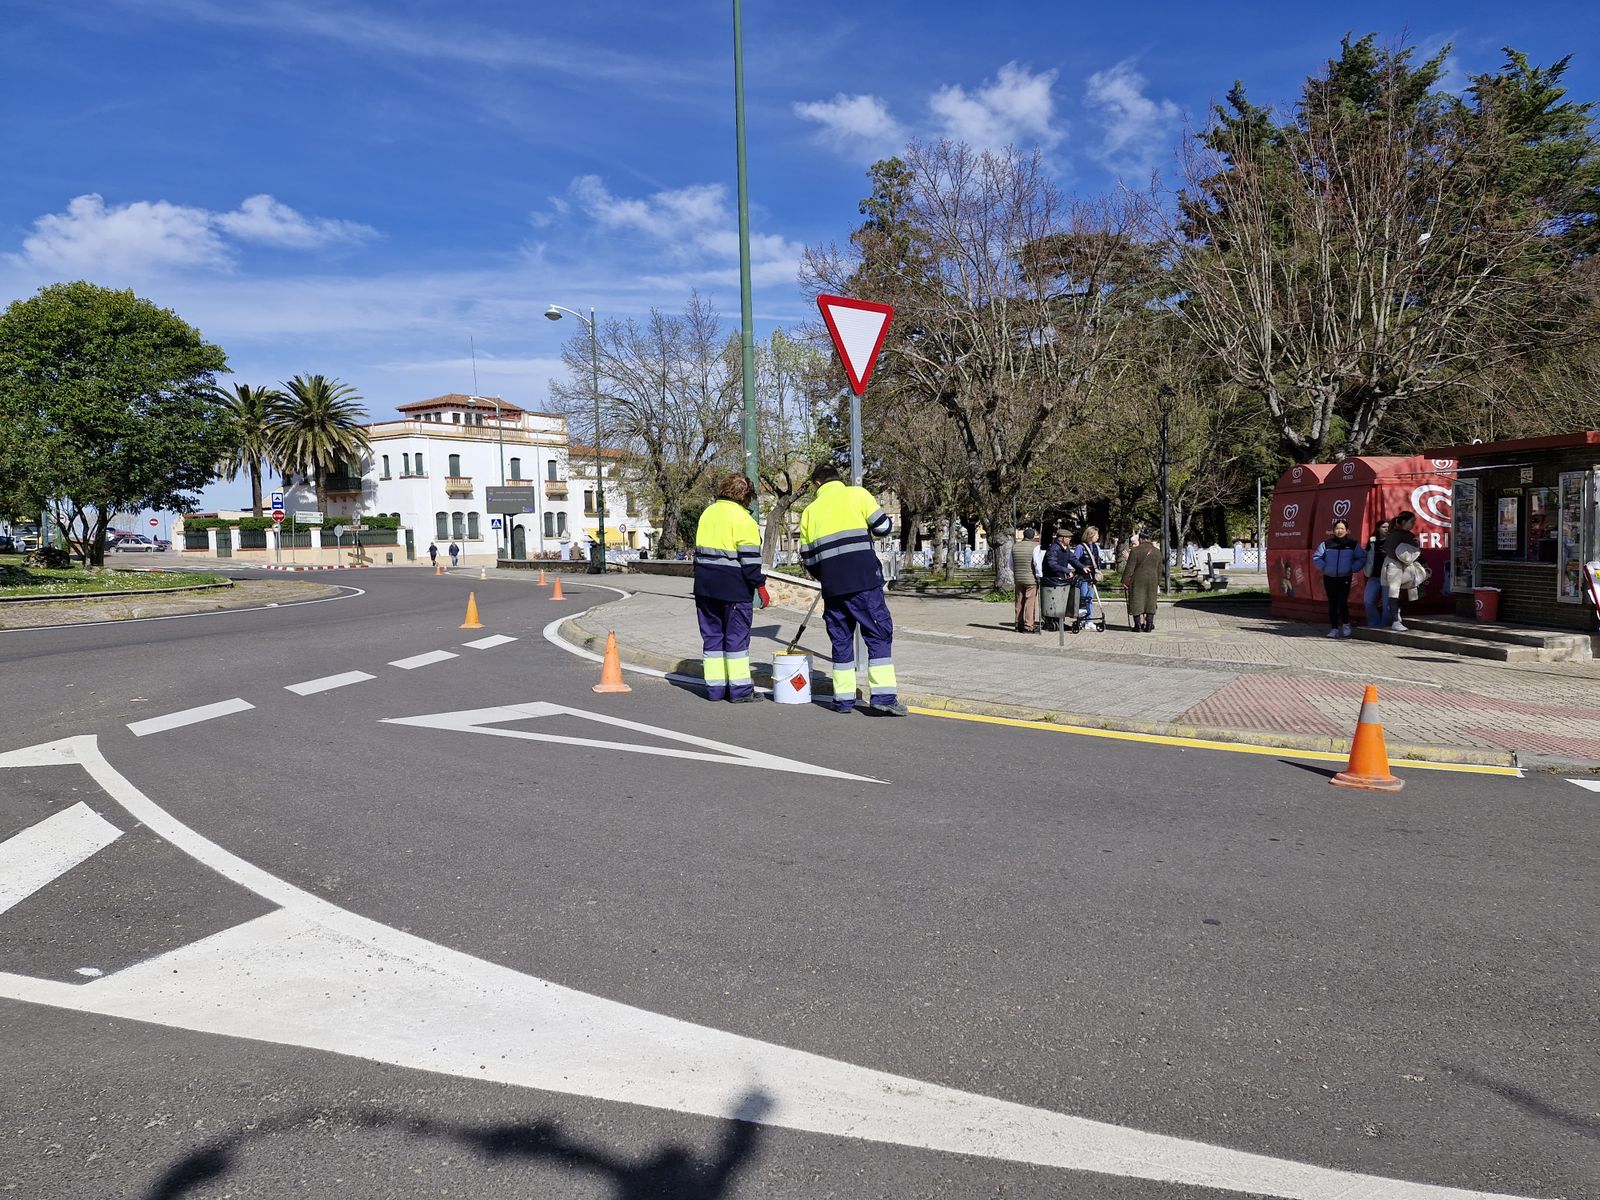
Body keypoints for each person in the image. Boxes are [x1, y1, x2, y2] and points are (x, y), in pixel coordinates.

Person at [798, 462, 904, 715]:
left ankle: (843, 700)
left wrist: (825, 574)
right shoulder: (857, 494)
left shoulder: (810, 512)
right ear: (838, 478)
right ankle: (883, 697)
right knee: (878, 633)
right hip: (863, 582)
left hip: (833, 587)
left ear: (817, 484)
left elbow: (808, 558)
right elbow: (883, 528)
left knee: (841, 639)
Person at [692, 473, 770, 703]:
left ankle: (715, 690)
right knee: (736, 640)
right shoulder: (744, 520)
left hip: (704, 588)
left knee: (712, 638)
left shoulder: (708, 513)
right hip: (734, 589)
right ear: (747, 496)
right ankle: (739, 691)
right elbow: (750, 563)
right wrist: (761, 587)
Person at [1312, 518, 1361, 638]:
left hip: (1345, 577)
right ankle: (1334, 628)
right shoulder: (1326, 544)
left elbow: (1362, 558)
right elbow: (1317, 557)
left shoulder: (1352, 544)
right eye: (1337, 528)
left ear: (1347, 530)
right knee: (1332, 603)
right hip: (1329, 577)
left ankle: (1346, 624)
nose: (1339, 531)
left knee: (1342, 602)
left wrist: (1352, 568)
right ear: (1333, 530)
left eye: (1342, 528)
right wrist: (1325, 568)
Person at [1380, 511, 1423, 630]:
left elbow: (1417, 550)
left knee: (1404, 591)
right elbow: (1389, 550)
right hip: (1395, 566)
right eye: (1412, 522)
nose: (1413, 524)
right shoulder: (1394, 535)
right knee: (1394, 591)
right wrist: (1404, 558)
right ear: (1403, 521)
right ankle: (1395, 620)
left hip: (1406, 566)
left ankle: (1397, 614)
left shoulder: (1409, 535)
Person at [1121, 531, 1161, 632]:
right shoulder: (1157, 551)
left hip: (1137, 579)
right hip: (1152, 580)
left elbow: (1130, 568)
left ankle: (1137, 626)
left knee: (1136, 601)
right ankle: (1149, 626)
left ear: (1141, 540)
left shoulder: (1135, 551)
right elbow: (1159, 569)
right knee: (1150, 602)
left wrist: (1125, 581)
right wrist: (1158, 582)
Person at [1040, 527, 1078, 632]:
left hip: (1059, 579)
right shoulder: (1054, 548)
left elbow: (1073, 559)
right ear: (1062, 538)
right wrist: (1066, 570)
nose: (1070, 539)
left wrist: (1082, 567)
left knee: (1060, 601)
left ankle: (1058, 620)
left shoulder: (1066, 549)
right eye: (1068, 537)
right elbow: (1052, 564)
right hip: (1052, 579)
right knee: (1054, 600)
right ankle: (1052, 620)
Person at [1072, 525, 1107, 628]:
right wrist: (1082, 567)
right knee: (1083, 598)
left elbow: (1097, 560)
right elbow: (1074, 560)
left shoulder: (1096, 547)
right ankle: (1082, 619)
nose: (1098, 537)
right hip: (1083, 576)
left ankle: (1089, 620)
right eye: (1096, 535)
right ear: (1090, 535)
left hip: (1092, 577)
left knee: (1090, 598)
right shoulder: (1080, 547)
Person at [1011, 527, 1042, 634]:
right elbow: (1037, 564)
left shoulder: (1015, 547)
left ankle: (1017, 624)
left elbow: (1011, 565)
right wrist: (1039, 577)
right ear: (1033, 536)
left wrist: (1017, 574)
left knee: (1019, 602)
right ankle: (1028, 626)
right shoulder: (1035, 547)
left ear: (1024, 535)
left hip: (1018, 579)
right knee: (1030, 602)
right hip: (1031, 579)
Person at [1362, 519, 1391, 627]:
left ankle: (1385, 626)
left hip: (1388, 578)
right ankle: (1374, 624)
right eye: (1384, 527)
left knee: (1387, 604)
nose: (1386, 529)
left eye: (1388, 527)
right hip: (1373, 577)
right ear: (1378, 528)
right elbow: (1365, 555)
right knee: (1368, 601)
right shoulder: (1372, 541)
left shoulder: (1392, 541)